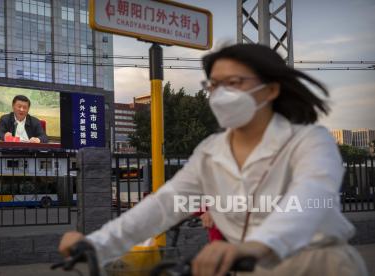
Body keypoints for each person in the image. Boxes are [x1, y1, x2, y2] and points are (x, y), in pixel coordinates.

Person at [58, 44, 368, 276]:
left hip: (320, 264)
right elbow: (166, 204)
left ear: (271, 89)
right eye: (214, 85)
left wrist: (254, 245)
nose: (220, 94)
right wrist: (97, 243)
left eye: (234, 83)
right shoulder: (211, 150)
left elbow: (309, 200)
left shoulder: (309, 140)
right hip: (253, 267)